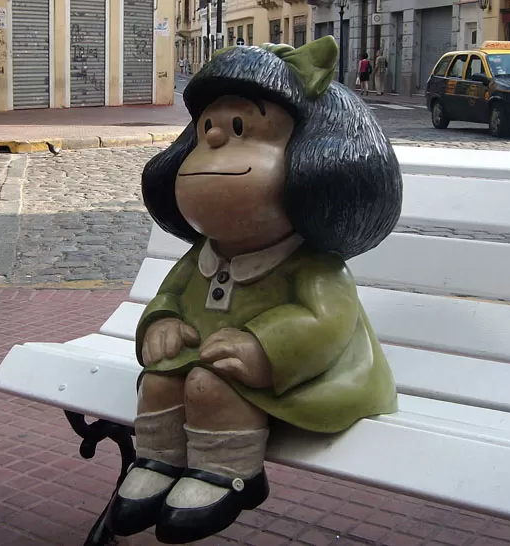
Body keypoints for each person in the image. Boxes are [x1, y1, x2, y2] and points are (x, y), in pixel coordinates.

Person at [107, 36, 401, 544]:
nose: (214, 144)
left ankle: (227, 472)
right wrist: (161, 321)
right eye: (207, 131)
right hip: (203, 357)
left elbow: (328, 322)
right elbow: (172, 294)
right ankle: (157, 459)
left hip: (302, 375)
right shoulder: (204, 253)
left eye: (240, 128)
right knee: (158, 381)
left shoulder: (309, 265)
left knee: (208, 387)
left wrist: (264, 345)